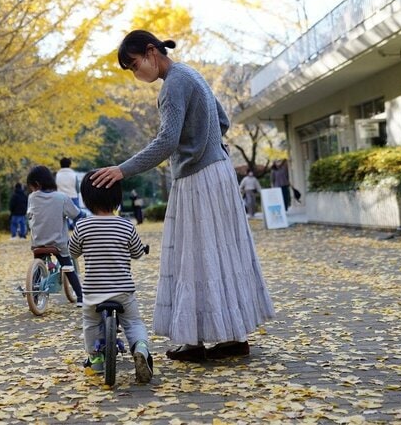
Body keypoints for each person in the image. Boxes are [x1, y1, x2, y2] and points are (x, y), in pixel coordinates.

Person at [91, 30, 274, 362]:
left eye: (134, 65)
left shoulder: (173, 83)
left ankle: (197, 340)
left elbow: (166, 142)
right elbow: (223, 119)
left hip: (198, 177)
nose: (136, 74)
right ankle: (231, 336)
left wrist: (122, 170)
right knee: (219, 253)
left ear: (151, 52)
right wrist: (206, 144)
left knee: (195, 256)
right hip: (218, 172)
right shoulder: (192, 74)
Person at [70, 170, 153, 383]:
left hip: (93, 292)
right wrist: (141, 250)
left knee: (89, 323)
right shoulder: (126, 225)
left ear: (87, 200)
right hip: (123, 291)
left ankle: (96, 359)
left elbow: (73, 252)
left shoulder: (82, 226)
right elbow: (136, 253)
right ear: (117, 198)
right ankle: (141, 348)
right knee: (133, 323)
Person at [25, 165, 84, 307]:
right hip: (58, 243)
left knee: (38, 267)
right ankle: (81, 297)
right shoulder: (61, 198)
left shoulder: (32, 198)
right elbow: (76, 214)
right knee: (68, 267)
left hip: (38, 242)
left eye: (31, 186)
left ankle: (35, 294)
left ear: (37, 184)